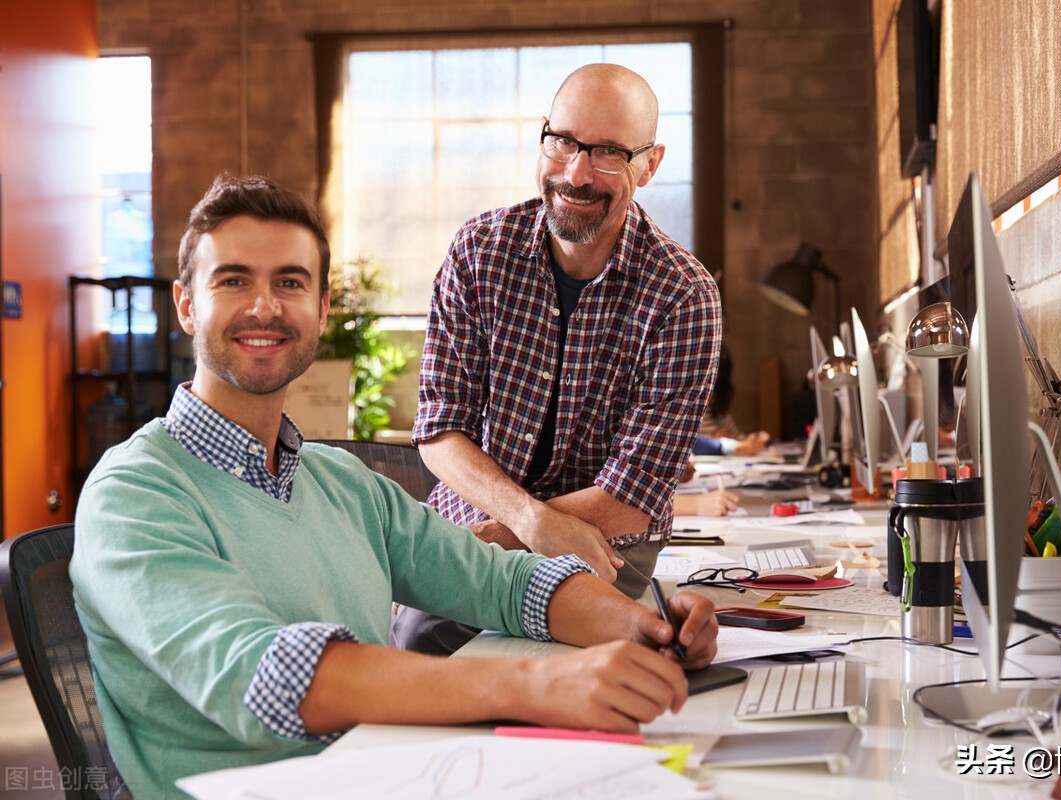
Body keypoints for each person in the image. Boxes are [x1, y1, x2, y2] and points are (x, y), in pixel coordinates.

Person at [69, 175, 719, 800]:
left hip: (392, 776)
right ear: (187, 304)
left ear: (321, 309)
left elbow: (503, 581)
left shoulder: (343, 484)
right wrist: (536, 682)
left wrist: (649, 630)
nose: (264, 306)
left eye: (290, 283)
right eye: (234, 280)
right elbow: (270, 676)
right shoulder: (133, 496)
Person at [407, 63, 722, 617]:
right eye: (563, 143)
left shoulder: (684, 296)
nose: (576, 174)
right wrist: (531, 523)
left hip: (606, 547)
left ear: (649, 164)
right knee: (418, 658)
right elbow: (439, 431)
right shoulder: (478, 253)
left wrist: (520, 538)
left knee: (574, 673)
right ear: (544, 133)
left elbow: (633, 496)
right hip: (469, 528)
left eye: (608, 153)